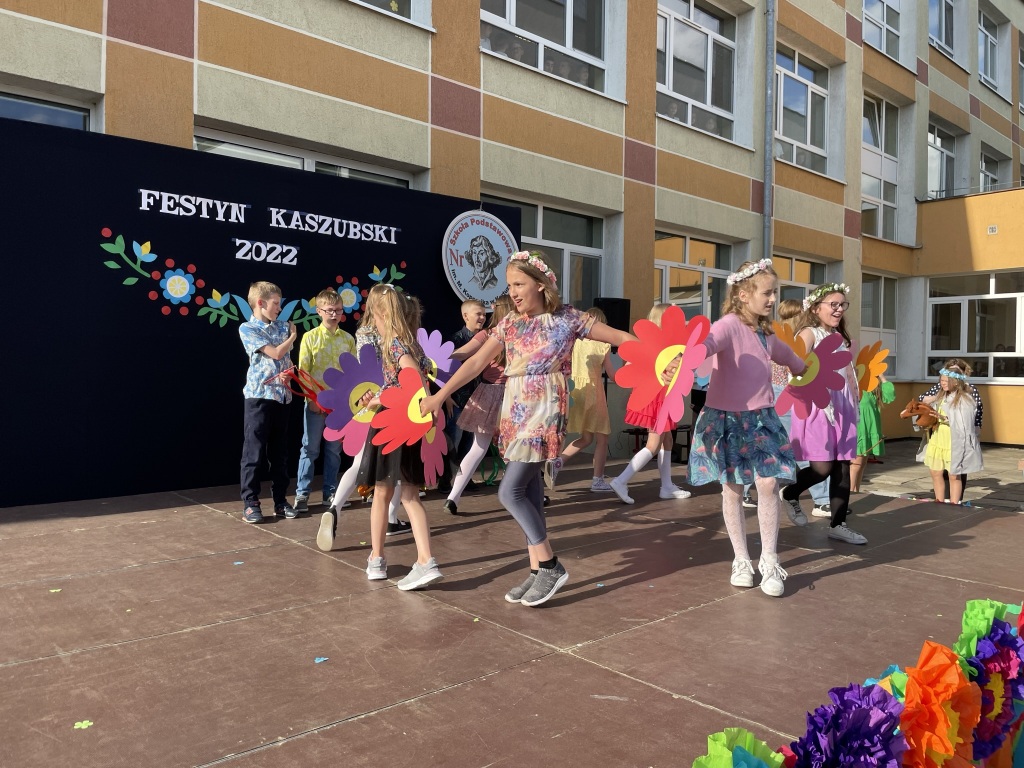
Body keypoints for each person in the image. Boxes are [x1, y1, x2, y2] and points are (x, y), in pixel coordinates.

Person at [421, 251, 634, 607]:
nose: (513, 292)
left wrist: (662, 358)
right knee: (531, 491)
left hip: (545, 408)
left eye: (519, 284)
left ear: (541, 284)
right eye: (509, 286)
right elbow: (476, 361)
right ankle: (536, 570)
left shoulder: (568, 318)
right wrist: (440, 394)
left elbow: (621, 337)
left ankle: (550, 566)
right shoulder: (509, 323)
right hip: (515, 408)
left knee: (510, 492)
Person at [687, 260, 807, 597]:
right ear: (743, 295)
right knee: (733, 489)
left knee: (768, 484)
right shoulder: (728, 325)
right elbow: (709, 344)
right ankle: (741, 559)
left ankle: (769, 559)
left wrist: (805, 369)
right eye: (767, 293)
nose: (773, 299)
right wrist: (685, 358)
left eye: (774, 293)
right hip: (727, 420)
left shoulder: (766, 334)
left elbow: (789, 357)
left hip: (761, 418)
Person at [355, 285, 443, 590]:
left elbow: (412, 381)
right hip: (412, 425)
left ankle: (377, 558)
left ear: (378, 312)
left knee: (382, 493)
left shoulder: (394, 345)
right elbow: (417, 383)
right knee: (409, 496)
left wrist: (379, 400)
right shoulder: (412, 344)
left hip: (393, 424)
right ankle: (425, 560)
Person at [316, 302, 412, 552]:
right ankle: (391, 519)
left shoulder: (362, 334)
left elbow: (360, 369)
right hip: (391, 403)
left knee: (359, 463)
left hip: (365, 402)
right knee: (396, 465)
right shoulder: (397, 338)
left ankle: (334, 508)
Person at [780, 282, 866, 545]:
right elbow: (794, 365)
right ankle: (790, 493)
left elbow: (847, 372)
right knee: (822, 467)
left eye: (842, 305)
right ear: (816, 308)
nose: (839, 309)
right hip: (818, 406)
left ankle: (838, 525)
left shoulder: (839, 337)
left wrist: (855, 395)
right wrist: (806, 377)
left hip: (842, 407)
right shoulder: (809, 333)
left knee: (842, 466)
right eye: (833, 304)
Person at [743, 299, 831, 517]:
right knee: (803, 446)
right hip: (787, 393)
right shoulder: (798, 336)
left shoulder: (772, 333)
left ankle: (743, 491)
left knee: (764, 445)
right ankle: (821, 500)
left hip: (768, 393)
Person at [608, 303, 693, 505]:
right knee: (653, 445)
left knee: (667, 440)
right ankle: (621, 480)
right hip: (659, 400)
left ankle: (666, 486)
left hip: (656, 398)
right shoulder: (668, 348)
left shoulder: (650, 344)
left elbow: (631, 365)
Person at [442, 295, 514, 515]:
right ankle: (523, 493)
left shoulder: (487, 334)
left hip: (488, 392)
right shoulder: (519, 332)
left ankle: (453, 497)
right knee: (516, 449)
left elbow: (463, 353)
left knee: (478, 448)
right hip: (513, 394)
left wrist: (436, 359)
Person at [238, 281, 298, 523]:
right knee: (254, 452)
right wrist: (293, 336)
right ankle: (250, 502)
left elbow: (286, 360)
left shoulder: (282, 326)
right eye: (275, 303)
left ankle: (281, 501)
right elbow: (275, 353)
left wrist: (289, 374)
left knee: (279, 453)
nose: (279, 308)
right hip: (259, 397)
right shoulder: (248, 328)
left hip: (282, 396)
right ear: (260, 303)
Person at [294, 289, 356, 513]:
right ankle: (302, 494)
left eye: (338, 310)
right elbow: (303, 371)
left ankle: (330, 492)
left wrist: (348, 402)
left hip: (339, 406)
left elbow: (352, 373)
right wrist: (312, 398)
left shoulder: (348, 339)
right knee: (310, 448)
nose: (334, 314)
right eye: (329, 310)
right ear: (319, 311)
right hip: (315, 403)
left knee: (333, 450)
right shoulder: (310, 337)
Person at [546, 307, 616, 492]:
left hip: (574, 391)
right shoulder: (603, 346)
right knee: (602, 437)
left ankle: (558, 462)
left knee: (585, 438)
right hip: (593, 394)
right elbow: (613, 375)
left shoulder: (574, 342)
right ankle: (597, 480)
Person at [917, 360, 984, 504]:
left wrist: (945, 419)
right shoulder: (941, 397)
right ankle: (939, 501)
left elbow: (965, 422)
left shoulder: (965, 399)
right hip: (938, 438)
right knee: (935, 472)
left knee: (954, 474)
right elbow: (924, 403)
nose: (942, 383)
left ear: (955, 381)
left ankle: (954, 504)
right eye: (941, 380)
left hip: (953, 440)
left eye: (945, 381)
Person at [440, 300, 487, 493]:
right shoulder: (456, 340)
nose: (482, 318)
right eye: (478, 314)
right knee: (453, 440)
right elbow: (443, 370)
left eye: (484, 314)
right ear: (465, 316)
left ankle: (465, 479)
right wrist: (447, 397)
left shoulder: (487, 340)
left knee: (469, 442)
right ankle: (446, 480)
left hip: (477, 401)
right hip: (458, 401)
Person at [850, 372, 895, 493]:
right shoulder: (855, 387)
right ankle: (851, 493)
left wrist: (881, 376)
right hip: (859, 430)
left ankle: (856, 491)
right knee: (856, 464)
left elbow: (889, 396)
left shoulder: (874, 389)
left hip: (870, 430)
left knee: (862, 464)